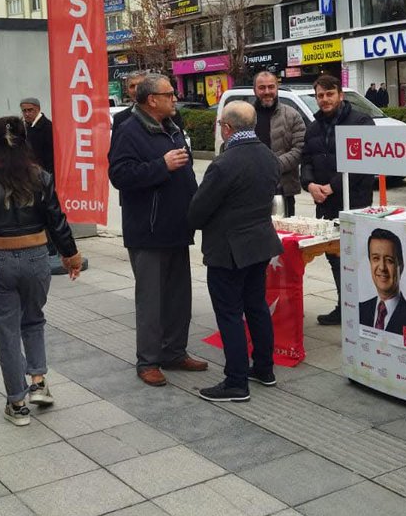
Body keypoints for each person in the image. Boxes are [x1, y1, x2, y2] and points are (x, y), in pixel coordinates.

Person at [0, 116, 81, 425]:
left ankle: (17, 404)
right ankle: (39, 382)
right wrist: (70, 255)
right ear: (25, 139)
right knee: (34, 319)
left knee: (7, 332)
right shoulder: (39, 176)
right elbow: (57, 220)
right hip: (36, 258)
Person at [108, 73, 207, 386]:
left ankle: (174, 352)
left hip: (177, 227)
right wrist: (161, 166)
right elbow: (120, 175)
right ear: (152, 100)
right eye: (169, 94)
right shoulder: (128, 131)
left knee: (179, 298)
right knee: (151, 301)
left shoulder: (171, 127)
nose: (174, 98)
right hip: (148, 231)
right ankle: (148, 361)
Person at [188, 101, 282, 402]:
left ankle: (236, 382)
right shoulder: (269, 156)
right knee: (256, 306)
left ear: (226, 128)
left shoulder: (224, 164)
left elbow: (198, 210)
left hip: (228, 250)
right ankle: (264, 368)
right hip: (260, 245)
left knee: (229, 313)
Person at [301, 74, 375, 326]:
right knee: (334, 257)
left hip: (355, 202)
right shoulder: (313, 126)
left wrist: (332, 187)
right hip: (326, 205)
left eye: (329, 94)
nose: (324, 99)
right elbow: (306, 161)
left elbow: (364, 162)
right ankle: (344, 307)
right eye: (320, 95)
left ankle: (364, 309)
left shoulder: (360, 122)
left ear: (340, 95)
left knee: (358, 257)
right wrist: (309, 185)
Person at [252, 70, 306, 217]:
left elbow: (299, 149)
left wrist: (273, 165)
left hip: (284, 190)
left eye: (271, 86)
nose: (267, 91)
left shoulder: (292, 115)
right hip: (252, 190)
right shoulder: (246, 116)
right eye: (262, 87)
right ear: (254, 90)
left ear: (277, 87)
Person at [359, 228, 406, 337]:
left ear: (401, 267)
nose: (382, 267)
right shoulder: (359, 310)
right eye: (376, 258)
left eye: (389, 260)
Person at [20, 97, 54, 174]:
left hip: (43, 173)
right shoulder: (21, 126)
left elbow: (50, 155)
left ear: (38, 109)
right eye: (24, 111)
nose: (27, 114)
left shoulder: (48, 127)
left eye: (30, 110)